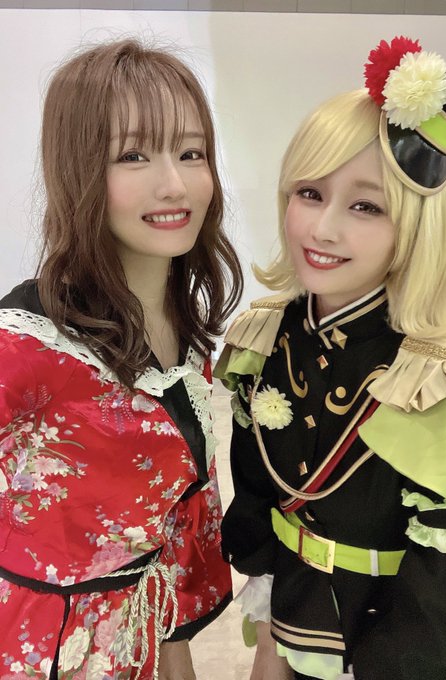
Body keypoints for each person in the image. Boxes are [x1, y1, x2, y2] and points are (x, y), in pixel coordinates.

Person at [215, 36, 446, 680]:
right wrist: (269, 634)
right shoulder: (265, 337)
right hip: (296, 610)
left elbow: (443, 608)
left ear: (417, 225)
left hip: (395, 640)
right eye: (309, 193)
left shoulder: (445, 386)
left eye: (365, 206)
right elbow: (259, 496)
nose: (322, 229)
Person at [0, 38, 242, 679]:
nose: (175, 184)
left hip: (133, 644)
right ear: (77, 169)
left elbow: (179, 532)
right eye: (133, 155)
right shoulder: (25, 346)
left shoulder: (187, 338)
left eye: (191, 152)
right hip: (33, 650)